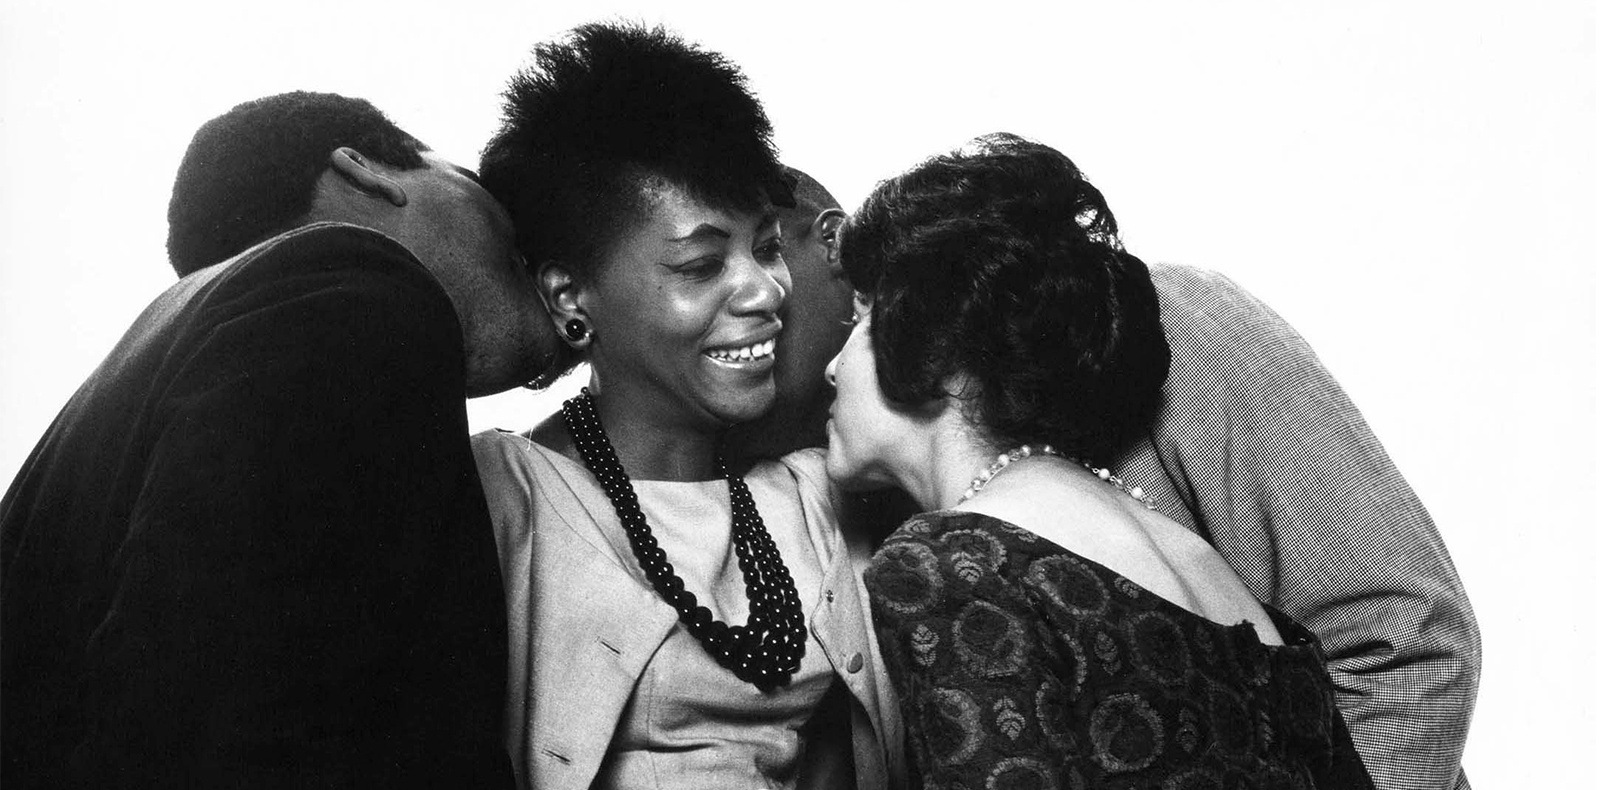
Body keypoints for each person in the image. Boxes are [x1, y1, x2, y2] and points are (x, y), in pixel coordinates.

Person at [739, 162, 1479, 790]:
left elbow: (1404, 642)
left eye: (763, 255)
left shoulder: (1177, 326)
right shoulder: (862, 482)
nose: (749, 310)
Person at [0, 91, 554, 788]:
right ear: (364, 170)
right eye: (472, 182)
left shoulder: (163, 365)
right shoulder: (352, 287)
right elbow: (221, 727)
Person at [471, 24, 903, 790]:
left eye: (766, 247)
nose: (765, 290)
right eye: (702, 265)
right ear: (570, 298)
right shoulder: (504, 496)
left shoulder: (816, 497)